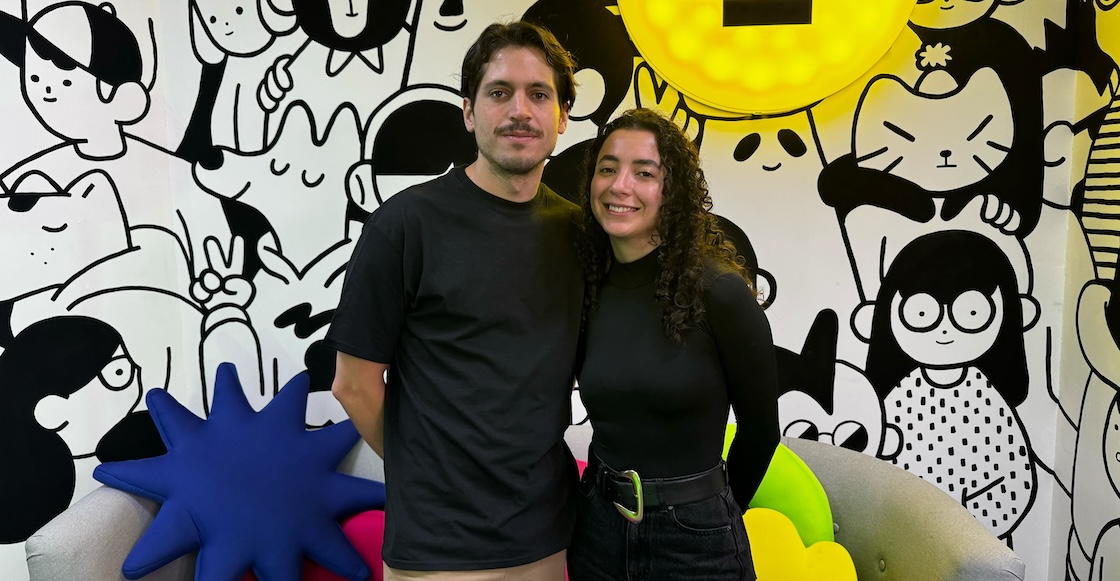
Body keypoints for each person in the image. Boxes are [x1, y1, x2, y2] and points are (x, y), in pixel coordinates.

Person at [325, 21, 582, 581]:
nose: (520, 111)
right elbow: (353, 383)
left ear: (562, 116)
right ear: (468, 112)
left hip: (549, 535)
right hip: (436, 550)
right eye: (499, 92)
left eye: (539, 94)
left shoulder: (579, 234)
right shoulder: (405, 224)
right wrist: (429, 475)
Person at [567, 108, 779, 580]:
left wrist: (711, 515)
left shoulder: (720, 292)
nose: (620, 186)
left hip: (695, 540)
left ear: (673, 190)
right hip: (597, 528)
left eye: (644, 173)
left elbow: (762, 432)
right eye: (607, 168)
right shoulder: (585, 287)